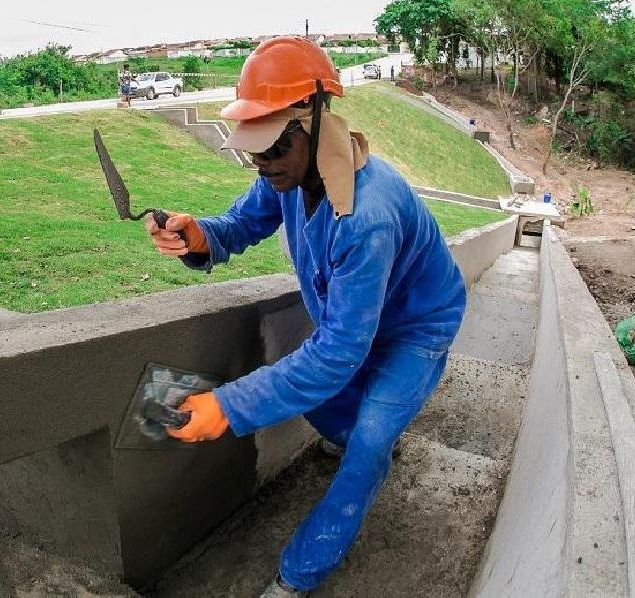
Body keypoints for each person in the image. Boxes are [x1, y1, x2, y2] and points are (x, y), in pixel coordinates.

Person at [144, 36, 466, 596]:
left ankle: (299, 575)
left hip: (414, 329)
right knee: (324, 402)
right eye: (252, 149)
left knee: (368, 443)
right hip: (356, 322)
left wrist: (227, 405)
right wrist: (199, 237)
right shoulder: (291, 175)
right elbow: (238, 226)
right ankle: (361, 433)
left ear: (315, 121)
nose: (260, 163)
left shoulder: (367, 215)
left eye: (271, 148)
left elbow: (340, 352)